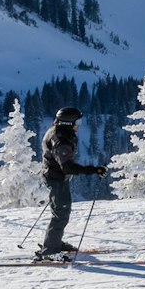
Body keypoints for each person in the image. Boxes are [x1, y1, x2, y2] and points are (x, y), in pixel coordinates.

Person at [37, 106, 106, 259]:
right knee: (60, 214)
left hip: (54, 176)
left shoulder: (58, 131)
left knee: (60, 212)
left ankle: (54, 242)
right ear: (68, 123)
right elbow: (67, 167)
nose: (79, 124)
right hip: (56, 179)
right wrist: (92, 170)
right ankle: (50, 251)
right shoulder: (61, 141)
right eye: (77, 121)